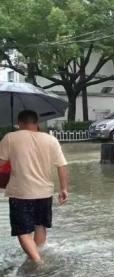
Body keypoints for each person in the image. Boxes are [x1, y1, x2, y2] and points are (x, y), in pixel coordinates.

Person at [0, 110, 69, 265]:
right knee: (40, 226)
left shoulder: (10, 138)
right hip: (44, 193)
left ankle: (38, 262)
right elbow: (62, 165)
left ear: (19, 123)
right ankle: (35, 257)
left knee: (22, 231)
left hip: (21, 193)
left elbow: (1, 163)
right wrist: (64, 189)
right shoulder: (51, 140)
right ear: (37, 123)